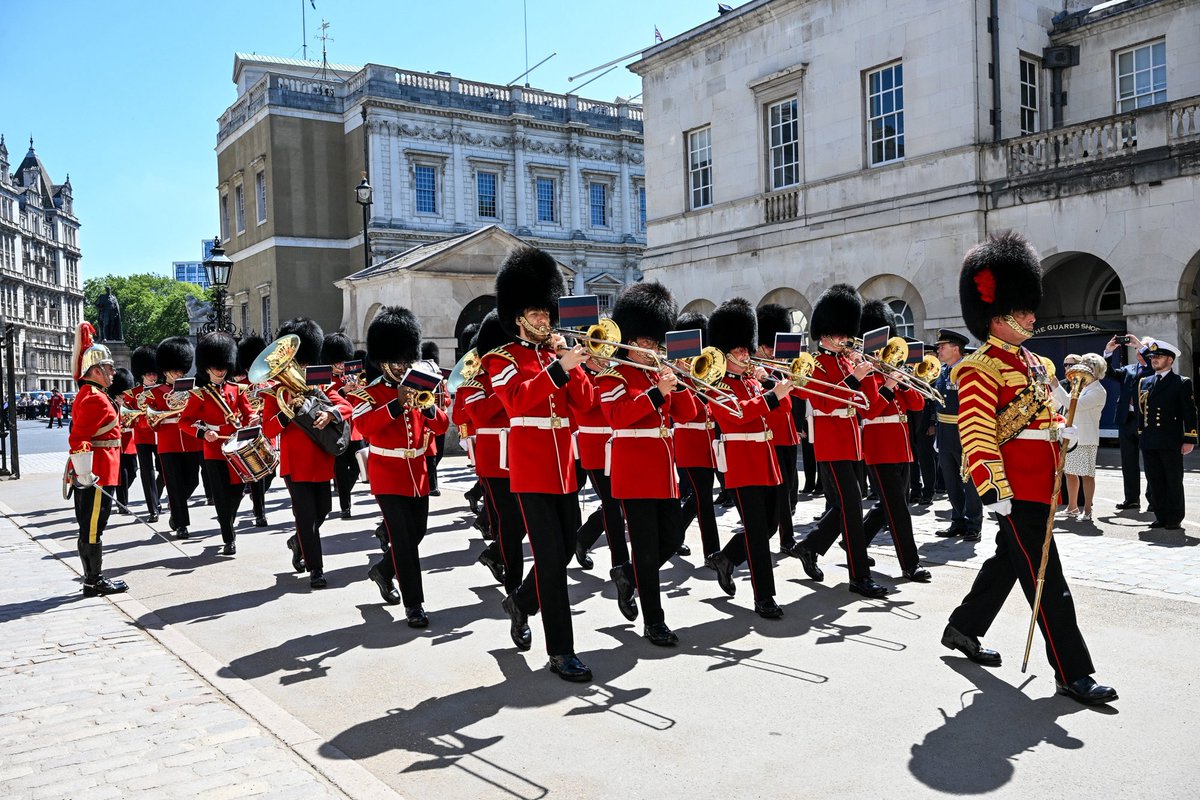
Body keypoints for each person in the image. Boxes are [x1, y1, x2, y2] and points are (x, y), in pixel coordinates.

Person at [943, 229, 1116, 706]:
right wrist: (991, 487)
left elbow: (1048, 416)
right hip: (1015, 487)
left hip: (1043, 479)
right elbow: (976, 432)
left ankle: (962, 628)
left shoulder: (1037, 363)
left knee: (1007, 563)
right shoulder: (979, 368)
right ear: (997, 317)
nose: (1031, 316)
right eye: (1023, 310)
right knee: (1047, 580)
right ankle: (1072, 671)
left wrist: (1062, 430)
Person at [485, 247, 595, 682]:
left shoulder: (557, 356)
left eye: (547, 312)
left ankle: (520, 603)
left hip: (564, 466)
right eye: (536, 312)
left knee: (565, 551)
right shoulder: (501, 359)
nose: (545, 320)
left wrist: (575, 365)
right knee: (550, 559)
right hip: (530, 469)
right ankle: (561, 651)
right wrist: (556, 371)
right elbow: (514, 401)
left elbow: (586, 406)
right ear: (517, 316)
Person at [598, 282, 697, 643]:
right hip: (634, 469)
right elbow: (618, 416)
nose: (651, 349)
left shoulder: (659, 374)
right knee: (645, 546)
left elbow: (687, 413)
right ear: (630, 339)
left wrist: (682, 381)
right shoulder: (612, 375)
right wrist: (658, 392)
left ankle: (627, 575)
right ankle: (654, 621)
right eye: (645, 342)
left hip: (663, 470)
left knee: (671, 538)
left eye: (655, 343)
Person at [351, 307, 449, 627]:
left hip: (417, 472)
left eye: (407, 359)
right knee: (404, 540)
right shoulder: (370, 393)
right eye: (397, 360)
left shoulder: (422, 388)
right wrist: (395, 404)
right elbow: (364, 426)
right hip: (387, 473)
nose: (403, 366)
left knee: (416, 533)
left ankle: (383, 570)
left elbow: (442, 425)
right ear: (382, 362)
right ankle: (414, 605)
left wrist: (430, 406)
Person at [792, 285, 888, 598]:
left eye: (843, 333)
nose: (842, 338)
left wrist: (873, 375)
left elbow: (870, 405)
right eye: (836, 333)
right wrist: (854, 378)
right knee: (851, 504)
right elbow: (825, 402)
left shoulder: (848, 361)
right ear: (823, 333)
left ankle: (810, 546)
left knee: (848, 503)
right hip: (831, 441)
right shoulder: (813, 364)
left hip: (851, 440)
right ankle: (860, 576)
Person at [705, 298, 793, 618]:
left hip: (766, 460)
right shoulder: (716, 386)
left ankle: (726, 558)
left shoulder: (753, 380)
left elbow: (783, 412)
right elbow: (738, 415)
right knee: (757, 533)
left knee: (769, 526)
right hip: (742, 462)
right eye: (739, 351)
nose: (746, 355)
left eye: (746, 349)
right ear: (725, 354)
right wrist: (771, 395)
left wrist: (770, 383)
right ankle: (764, 597)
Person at [260, 318, 352, 589]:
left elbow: (344, 405)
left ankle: (297, 541)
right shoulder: (276, 388)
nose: (300, 366)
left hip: (321, 457)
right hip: (295, 462)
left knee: (324, 509)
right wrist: (287, 414)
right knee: (307, 517)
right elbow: (267, 428)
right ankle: (316, 570)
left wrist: (330, 413)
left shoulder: (318, 381)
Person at [857, 300, 931, 583]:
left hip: (901, 449)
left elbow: (916, 405)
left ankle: (856, 541)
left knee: (890, 505)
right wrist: (887, 385)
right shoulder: (867, 378)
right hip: (879, 449)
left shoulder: (892, 373)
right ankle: (910, 564)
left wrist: (902, 381)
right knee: (899, 510)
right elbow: (870, 410)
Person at [460, 311, 524, 591]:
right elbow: (480, 415)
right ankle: (513, 582)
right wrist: (504, 388)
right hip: (493, 458)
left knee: (523, 519)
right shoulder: (473, 382)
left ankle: (495, 554)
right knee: (507, 520)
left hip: (522, 453)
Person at [65, 322, 127, 597]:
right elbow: (78, 438)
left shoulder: (95, 395)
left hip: (101, 467)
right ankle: (94, 580)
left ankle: (93, 577)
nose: (113, 371)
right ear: (96, 370)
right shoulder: (94, 398)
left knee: (92, 526)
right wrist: (86, 472)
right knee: (92, 527)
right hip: (96, 470)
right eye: (109, 367)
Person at [180, 333, 252, 556]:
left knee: (237, 493)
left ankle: (228, 523)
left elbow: (248, 415)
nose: (220, 370)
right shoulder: (200, 395)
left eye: (223, 366)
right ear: (207, 368)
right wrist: (204, 432)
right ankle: (228, 537)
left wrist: (251, 422)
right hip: (213, 450)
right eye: (215, 366)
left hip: (236, 449)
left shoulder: (237, 390)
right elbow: (185, 422)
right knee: (220, 495)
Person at [672, 311, 722, 559]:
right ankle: (713, 552)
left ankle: (672, 535)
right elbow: (685, 412)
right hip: (689, 442)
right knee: (703, 499)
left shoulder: (704, 369)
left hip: (707, 442)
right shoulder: (675, 374)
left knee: (699, 497)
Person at [755, 303, 802, 555]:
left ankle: (784, 534)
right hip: (771, 434)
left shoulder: (782, 366)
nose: (774, 351)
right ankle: (786, 538)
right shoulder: (755, 370)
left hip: (789, 433)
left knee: (791, 489)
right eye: (770, 346)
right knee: (780, 492)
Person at [1137, 340, 1197, 531]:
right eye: (1153, 357)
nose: (1154, 360)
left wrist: (1189, 439)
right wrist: (1141, 434)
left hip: (1170, 440)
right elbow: (1141, 411)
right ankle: (1160, 515)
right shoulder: (1145, 382)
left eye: (1159, 357)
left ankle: (1174, 517)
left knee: (1172, 479)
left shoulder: (1181, 383)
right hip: (1150, 439)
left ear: (1170, 360)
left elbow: (1189, 413)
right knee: (1154, 480)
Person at [932, 329, 983, 541]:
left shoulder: (968, 371)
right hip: (945, 433)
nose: (938, 351)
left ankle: (973, 524)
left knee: (969, 482)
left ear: (956, 348)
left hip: (965, 432)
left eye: (942, 347)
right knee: (951, 481)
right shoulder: (943, 371)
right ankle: (957, 520)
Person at [150, 337, 204, 540]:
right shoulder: (156, 393)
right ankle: (181, 524)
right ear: (165, 371)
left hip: (190, 442)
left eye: (181, 371)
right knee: (174, 484)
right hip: (168, 444)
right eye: (175, 371)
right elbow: (152, 422)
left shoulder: (192, 392)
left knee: (192, 481)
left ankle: (175, 507)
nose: (179, 374)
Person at [1103, 335, 1153, 512]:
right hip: (1126, 419)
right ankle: (1131, 499)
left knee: (1150, 462)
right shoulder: (1129, 369)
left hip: (1145, 421)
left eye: (1144, 349)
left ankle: (1153, 500)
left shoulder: (1153, 368)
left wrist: (1140, 345)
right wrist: (1109, 351)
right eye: (1138, 349)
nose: (1139, 351)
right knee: (1128, 462)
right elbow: (1107, 372)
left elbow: (1150, 368)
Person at [1057, 353, 1109, 521]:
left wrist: (1055, 386)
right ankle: (1072, 507)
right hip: (1073, 436)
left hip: (1086, 438)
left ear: (1095, 370)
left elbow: (1074, 405)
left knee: (1087, 475)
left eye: (1088, 366)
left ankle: (1087, 510)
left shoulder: (1099, 390)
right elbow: (1061, 404)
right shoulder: (1082, 386)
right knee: (1070, 473)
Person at [324, 331, 365, 519]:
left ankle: (343, 492)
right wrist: (342, 390)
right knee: (340, 469)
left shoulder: (351, 375)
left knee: (357, 466)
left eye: (343, 361)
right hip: (337, 429)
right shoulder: (325, 378)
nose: (341, 365)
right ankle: (345, 506)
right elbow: (324, 400)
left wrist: (359, 390)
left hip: (354, 427)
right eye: (337, 362)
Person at [234, 335, 271, 528]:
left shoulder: (268, 386)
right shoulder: (241, 388)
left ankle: (258, 504)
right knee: (258, 476)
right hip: (250, 435)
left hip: (267, 433)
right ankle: (260, 513)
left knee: (269, 474)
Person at [126, 345, 164, 523]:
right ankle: (153, 508)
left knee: (164, 471)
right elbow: (127, 418)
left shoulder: (164, 391)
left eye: (154, 373)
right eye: (149, 373)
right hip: (142, 436)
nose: (153, 376)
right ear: (141, 374)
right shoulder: (132, 394)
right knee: (147, 473)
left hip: (161, 435)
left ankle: (156, 497)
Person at [108, 367, 139, 512]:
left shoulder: (128, 404)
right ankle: (122, 504)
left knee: (132, 472)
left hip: (129, 442)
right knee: (124, 474)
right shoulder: (110, 404)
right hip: (116, 444)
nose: (124, 396)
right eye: (121, 394)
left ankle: (118, 496)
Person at [418, 341, 447, 497]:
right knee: (431, 455)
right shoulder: (423, 375)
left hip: (438, 416)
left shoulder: (439, 376)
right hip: (427, 418)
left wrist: (444, 403)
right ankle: (431, 486)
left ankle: (430, 484)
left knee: (438, 453)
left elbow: (446, 397)